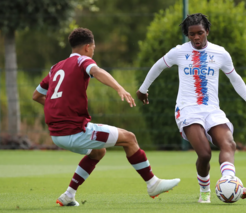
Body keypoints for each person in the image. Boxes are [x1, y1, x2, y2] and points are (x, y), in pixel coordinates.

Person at [32, 28, 180, 207]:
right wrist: (119, 88)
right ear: (87, 47)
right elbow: (97, 71)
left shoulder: (55, 68)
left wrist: (57, 107)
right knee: (130, 138)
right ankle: (152, 184)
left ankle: (69, 194)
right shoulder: (82, 60)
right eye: (93, 47)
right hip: (75, 131)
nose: (93, 50)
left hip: (57, 135)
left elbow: (37, 96)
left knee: (98, 151)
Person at [136, 13, 246, 203]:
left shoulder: (220, 53)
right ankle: (205, 191)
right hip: (187, 110)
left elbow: (235, 79)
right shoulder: (178, 52)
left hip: (212, 110)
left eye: (200, 33)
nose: (196, 37)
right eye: (192, 34)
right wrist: (142, 90)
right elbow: (157, 66)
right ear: (187, 35)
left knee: (228, 143)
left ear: (207, 32)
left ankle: (229, 183)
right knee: (204, 153)